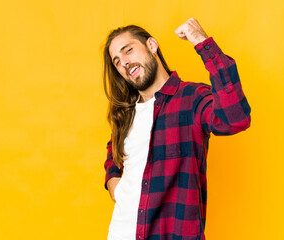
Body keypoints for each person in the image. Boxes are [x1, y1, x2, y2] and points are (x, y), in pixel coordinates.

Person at [102, 18, 251, 240]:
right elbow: (113, 150)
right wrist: (113, 180)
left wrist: (202, 42)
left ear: (152, 46)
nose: (124, 62)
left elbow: (235, 118)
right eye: (117, 61)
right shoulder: (126, 114)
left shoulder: (192, 98)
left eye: (129, 50)